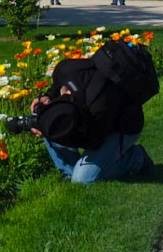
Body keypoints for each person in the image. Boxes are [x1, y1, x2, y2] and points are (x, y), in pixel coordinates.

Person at [23, 58, 153, 184]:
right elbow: (56, 87)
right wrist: (47, 97)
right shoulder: (64, 70)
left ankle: (135, 158)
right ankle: (70, 172)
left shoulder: (97, 108)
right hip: (95, 118)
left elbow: (92, 142)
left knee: (84, 180)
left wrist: (50, 134)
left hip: (123, 128)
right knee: (50, 123)